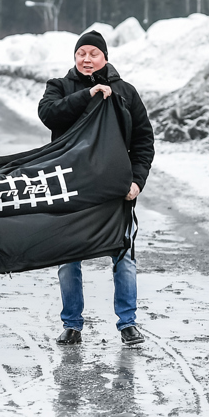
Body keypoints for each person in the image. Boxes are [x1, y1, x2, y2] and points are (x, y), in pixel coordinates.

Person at [37, 30, 155, 346]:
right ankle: (72, 325)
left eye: (93, 54)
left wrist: (137, 181)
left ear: (105, 58)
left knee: (123, 256)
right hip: (71, 187)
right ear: (75, 57)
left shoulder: (126, 92)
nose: (87, 59)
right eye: (81, 53)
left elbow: (143, 141)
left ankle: (128, 324)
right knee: (68, 259)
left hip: (115, 190)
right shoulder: (59, 87)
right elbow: (49, 114)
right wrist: (87, 95)